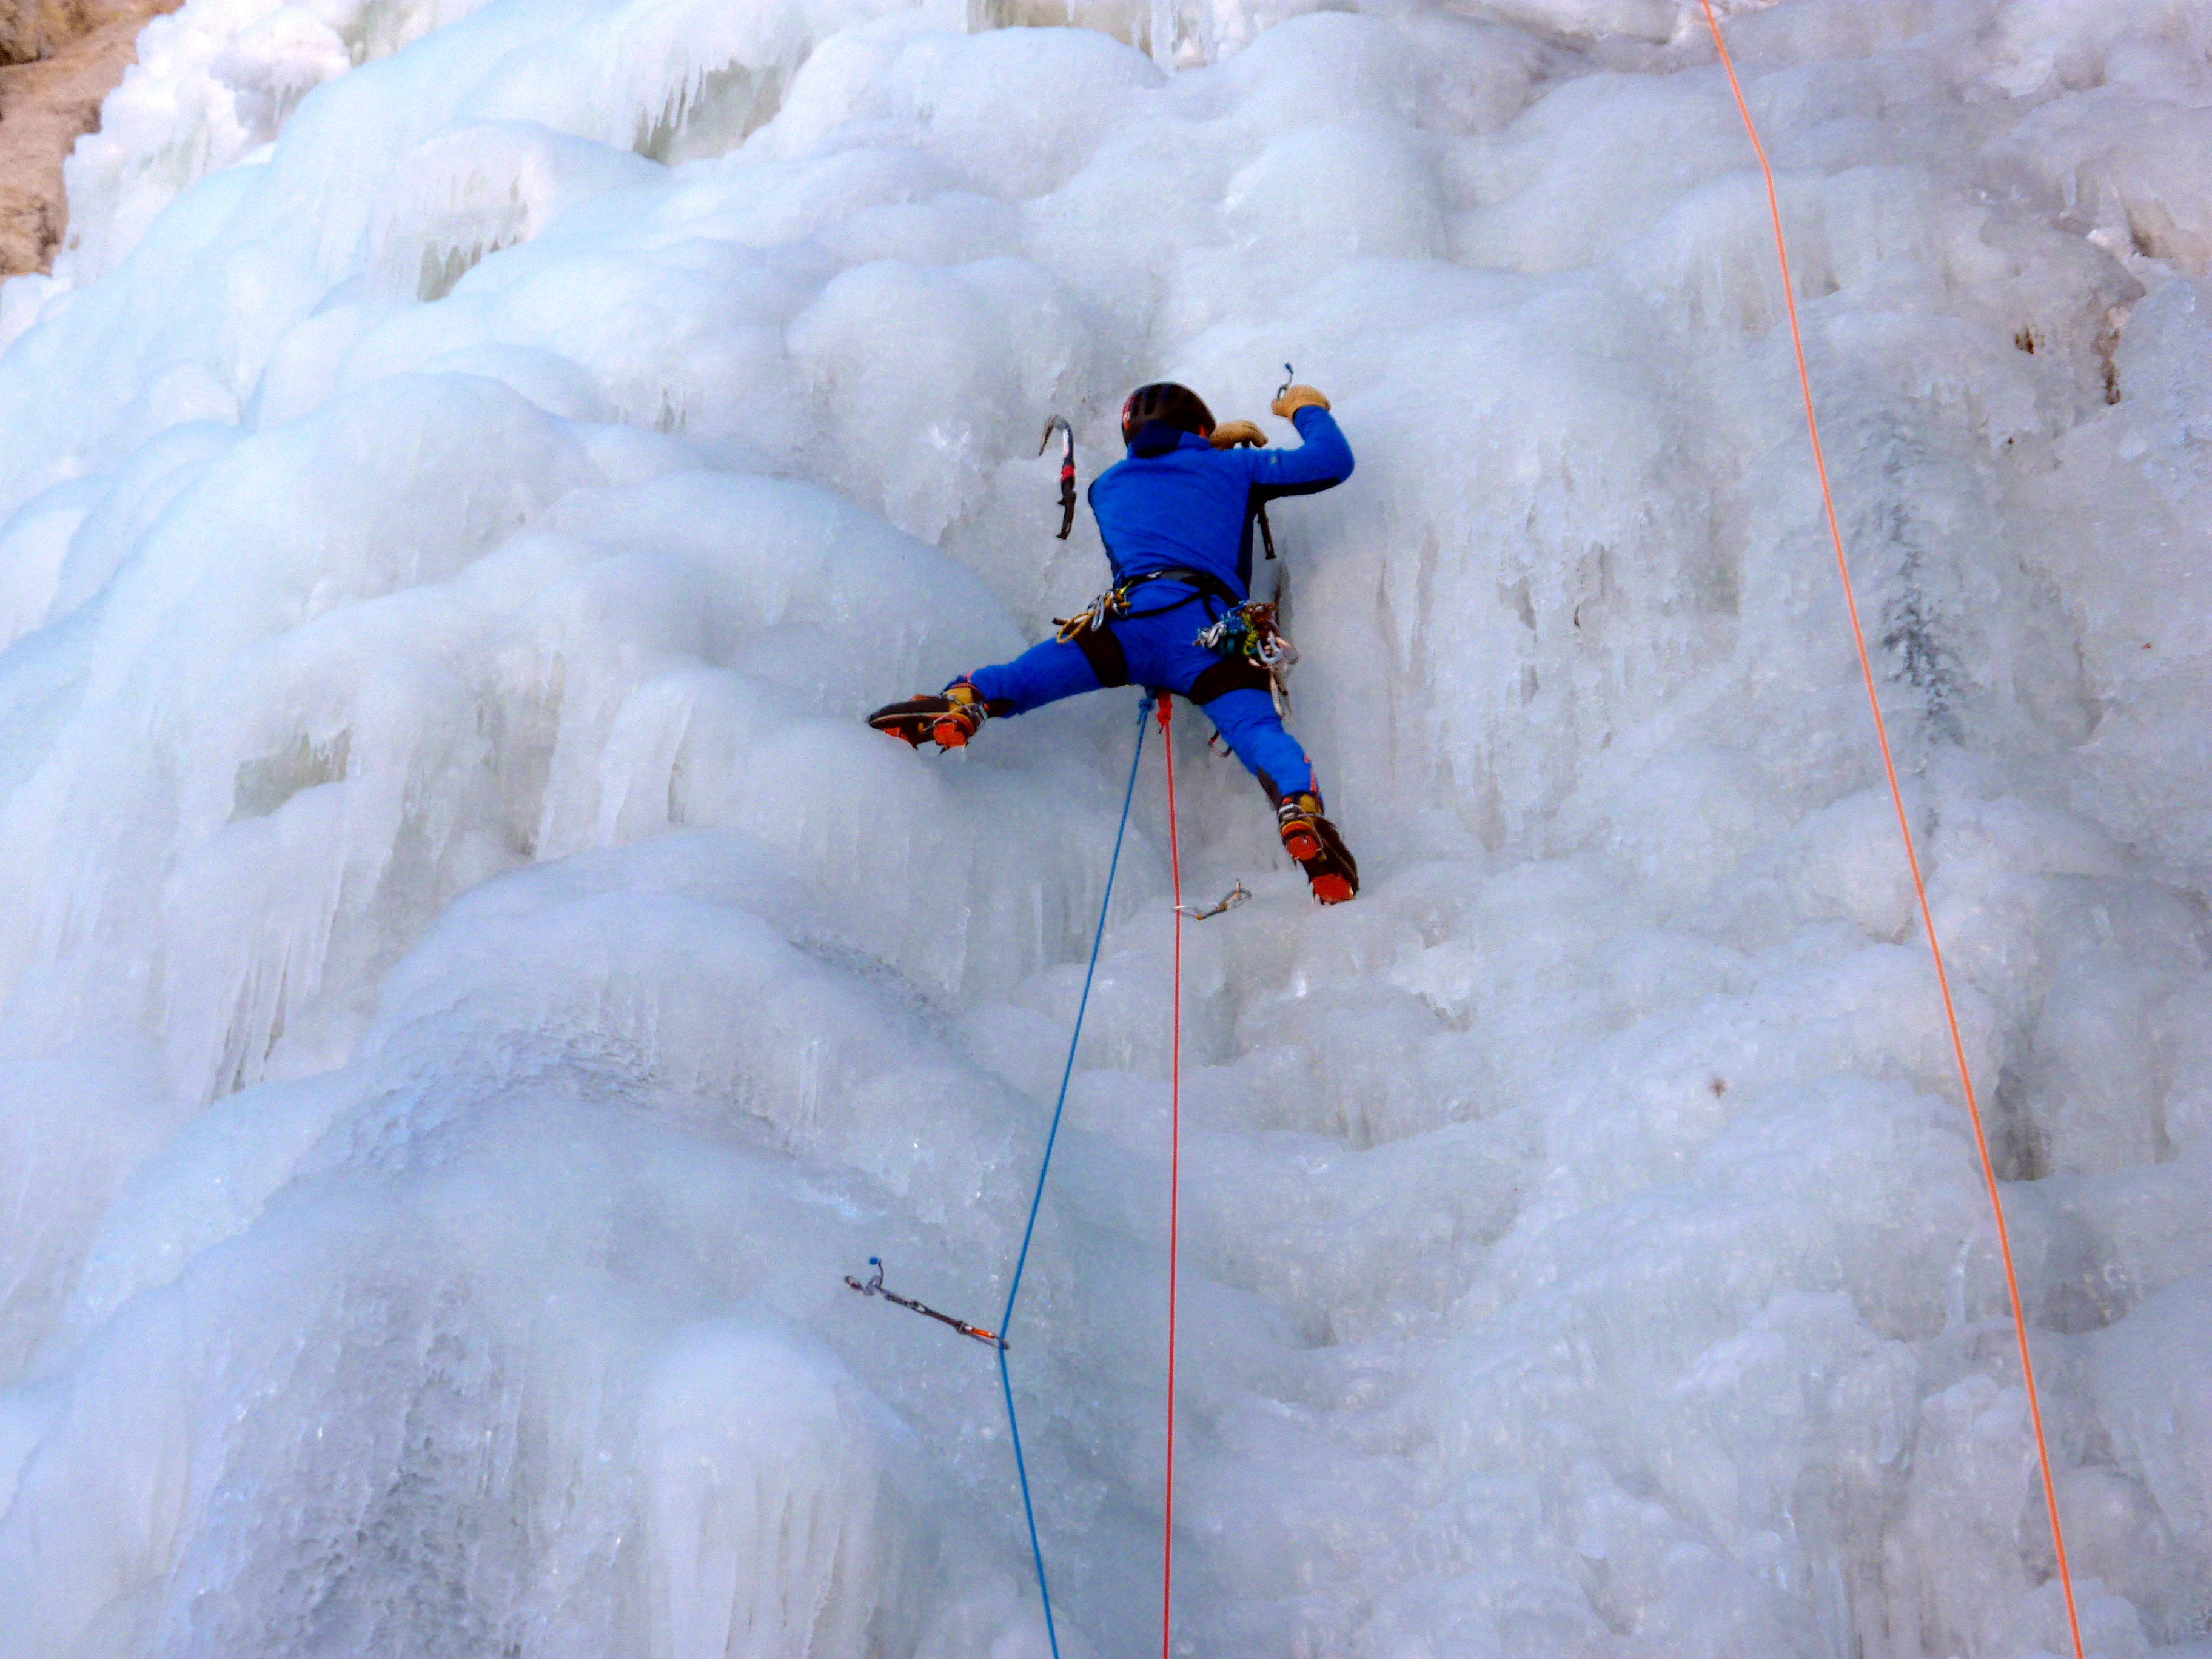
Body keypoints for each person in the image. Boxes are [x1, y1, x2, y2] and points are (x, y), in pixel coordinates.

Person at [867, 380, 1358, 904]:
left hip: (1128, 627)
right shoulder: (1235, 470)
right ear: (1198, 428)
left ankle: (965, 703)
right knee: (1258, 731)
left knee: (1025, 677)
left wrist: (1207, 447)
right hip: (1210, 635)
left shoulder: (1108, 486)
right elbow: (1332, 461)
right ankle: (1299, 809)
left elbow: (1168, 488)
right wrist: (1305, 407)